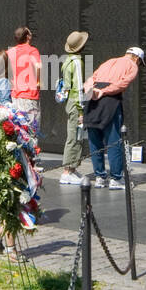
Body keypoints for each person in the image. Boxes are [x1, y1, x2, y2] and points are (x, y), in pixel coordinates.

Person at [82, 46, 143, 190]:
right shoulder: (132, 65)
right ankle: (116, 178)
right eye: (140, 62)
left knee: (94, 140)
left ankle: (100, 177)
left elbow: (91, 79)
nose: (139, 64)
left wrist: (91, 90)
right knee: (113, 141)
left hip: (93, 100)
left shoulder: (108, 62)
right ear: (137, 58)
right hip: (110, 101)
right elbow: (123, 84)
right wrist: (103, 92)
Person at [59, 31, 88, 185]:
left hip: (70, 102)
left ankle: (72, 168)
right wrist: (81, 109)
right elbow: (78, 87)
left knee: (74, 135)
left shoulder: (68, 60)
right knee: (75, 136)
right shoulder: (77, 62)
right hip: (76, 104)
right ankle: (67, 171)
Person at [7, 26, 41, 133]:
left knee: (18, 131)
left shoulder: (10, 52)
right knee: (31, 131)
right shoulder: (32, 51)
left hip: (14, 97)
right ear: (28, 37)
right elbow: (38, 67)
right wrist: (38, 82)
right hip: (29, 96)